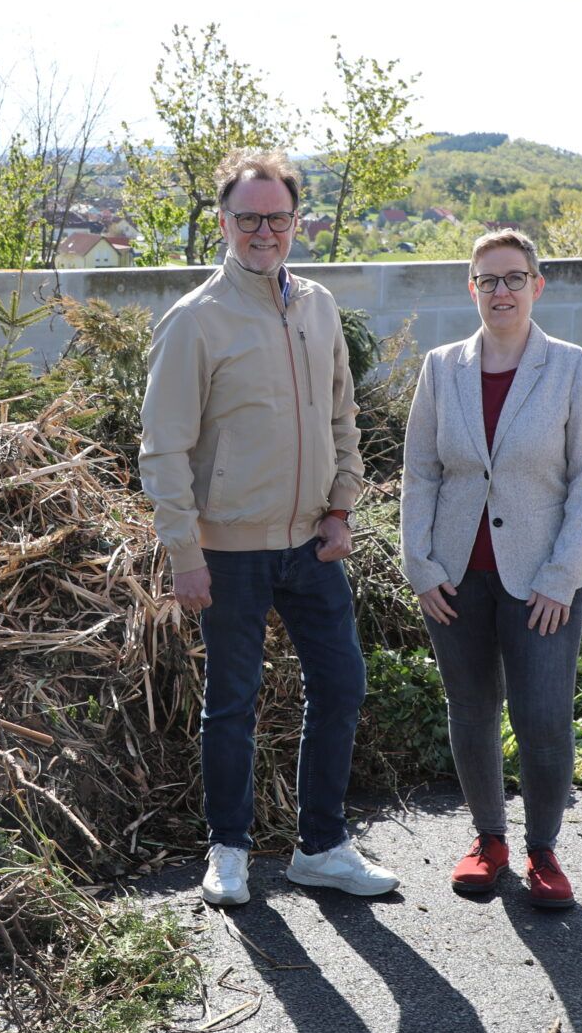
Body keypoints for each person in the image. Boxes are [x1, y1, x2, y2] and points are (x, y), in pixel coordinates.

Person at [139, 147, 400, 906]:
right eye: (248, 217)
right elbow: (163, 446)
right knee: (232, 701)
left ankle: (321, 847)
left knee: (342, 684)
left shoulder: (317, 305)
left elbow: (342, 413)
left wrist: (344, 506)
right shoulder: (196, 320)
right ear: (224, 222)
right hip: (229, 554)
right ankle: (228, 851)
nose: (264, 230)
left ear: (295, 221)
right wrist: (184, 551)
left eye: (276, 217)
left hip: (314, 542)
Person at [398, 229, 582, 907]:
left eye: (514, 277)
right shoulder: (441, 367)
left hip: (542, 580)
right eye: (488, 279)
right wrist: (420, 565)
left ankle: (543, 849)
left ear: (537, 285)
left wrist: (561, 573)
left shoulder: (573, 367)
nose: (502, 291)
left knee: (544, 716)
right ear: (471, 289)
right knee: (472, 710)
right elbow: (420, 471)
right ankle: (489, 840)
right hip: (456, 578)